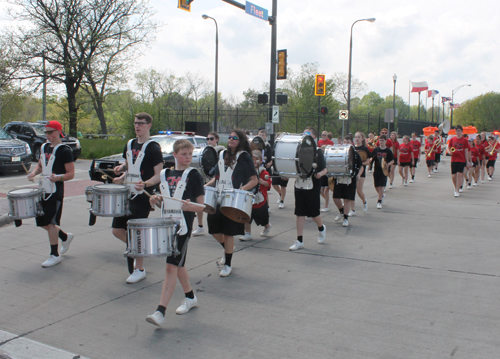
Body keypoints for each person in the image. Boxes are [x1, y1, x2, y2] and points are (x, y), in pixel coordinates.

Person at [145, 139, 205, 327]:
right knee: (178, 265)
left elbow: (201, 205)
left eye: (190, 154)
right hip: (166, 226)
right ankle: (190, 297)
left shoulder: (194, 175)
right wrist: (155, 200)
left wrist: (189, 207)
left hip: (183, 228)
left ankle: (160, 312)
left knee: (170, 267)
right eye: (184, 154)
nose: (188, 157)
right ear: (175, 155)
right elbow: (166, 202)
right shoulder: (165, 174)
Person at [112, 113, 164, 283]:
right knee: (117, 230)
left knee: (136, 232)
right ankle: (138, 248)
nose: (137, 126)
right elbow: (131, 164)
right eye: (135, 123)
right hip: (126, 193)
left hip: (142, 195)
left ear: (149, 125)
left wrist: (146, 183)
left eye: (141, 123)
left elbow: (158, 175)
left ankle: (139, 269)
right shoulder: (130, 144)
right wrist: (122, 172)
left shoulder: (154, 148)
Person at [205, 129, 258, 277]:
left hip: (232, 201)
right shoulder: (221, 154)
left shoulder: (244, 157)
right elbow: (217, 177)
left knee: (228, 233)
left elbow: (254, 180)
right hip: (217, 198)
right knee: (214, 231)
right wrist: (206, 186)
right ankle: (227, 249)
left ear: (240, 141)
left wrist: (240, 191)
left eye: (234, 137)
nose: (231, 139)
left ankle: (228, 264)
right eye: (229, 137)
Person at [27, 120, 75, 267]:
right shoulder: (43, 148)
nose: (47, 135)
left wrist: (58, 177)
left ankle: (54, 255)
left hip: (55, 191)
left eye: (50, 132)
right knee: (42, 222)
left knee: (51, 222)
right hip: (43, 189)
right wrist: (34, 173)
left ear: (58, 132)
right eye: (46, 132)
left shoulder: (64, 150)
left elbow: (71, 173)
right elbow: (40, 166)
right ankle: (65, 237)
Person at [289, 127, 328, 251]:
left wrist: (320, 174)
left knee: (314, 213)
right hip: (299, 183)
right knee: (299, 212)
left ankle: (321, 228)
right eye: (304, 133)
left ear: (314, 137)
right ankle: (299, 240)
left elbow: (325, 169)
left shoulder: (317, 152)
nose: (305, 135)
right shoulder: (297, 150)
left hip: (313, 184)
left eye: (308, 133)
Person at [192, 131, 221, 237]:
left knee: (214, 205)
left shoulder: (220, 150)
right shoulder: (205, 150)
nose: (209, 141)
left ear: (217, 139)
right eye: (207, 139)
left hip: (215, 180)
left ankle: (218, 227)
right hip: (204, 177)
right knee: (199, 203)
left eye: (211, 138)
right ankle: (200, 226)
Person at [239, 151, 272, 241]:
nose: (254, 162)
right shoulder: (248, 172)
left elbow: (269, 184)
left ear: (261, 161)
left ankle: (267, 226)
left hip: (260, 202)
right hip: (249, 200)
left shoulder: (264, 173)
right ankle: (248, 233)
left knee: (263, 220)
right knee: (247, 217)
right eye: (252, 159)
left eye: (256, 159)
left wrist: (263, 182)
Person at [332, 134, 362, 227]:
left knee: (347, 200)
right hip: (339, 177)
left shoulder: (355, 154)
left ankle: (345, 218)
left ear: (351, 143)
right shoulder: (338, 152)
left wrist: (358, 175)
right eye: (344, 142)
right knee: (335, 198)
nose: (346, 143)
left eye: (348, 142)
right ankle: (341, 211)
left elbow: (361, 166)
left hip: (350, 178)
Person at [371, 135, 394, 209]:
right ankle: (382, 195)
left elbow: (392, 160)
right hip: (376, 170)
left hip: (384, 171)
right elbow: (372, 158)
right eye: (380, 140)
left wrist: (388, 164)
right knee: (376, 186)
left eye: (382, 140)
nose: (381, 142)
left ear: (385, 141)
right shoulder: (376, 150)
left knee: (381, 186)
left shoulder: (388, 151)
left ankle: (379, 201)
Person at [448, 125, 470, 197]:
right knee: (454, 176)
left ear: (462, 131)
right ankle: (456, 187)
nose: (457, 132)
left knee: (459, 174)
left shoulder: (465, 140)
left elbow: (466, 151)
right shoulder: (452, 139)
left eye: (459, 131)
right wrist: (449, 152)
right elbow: (449, 148)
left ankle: (457, 190)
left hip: (461, 159)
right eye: (456, 131)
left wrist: (467, 161)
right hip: (454, 159)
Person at [351, 131, 370, 213]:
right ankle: (352, 209)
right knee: (351, 190)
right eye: (356, 137)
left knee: (359, 190)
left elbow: (368, 161)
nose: (357, 139)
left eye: (358, 137)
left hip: (361, 171)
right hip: (352, 171)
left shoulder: (365, 149)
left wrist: (360, 163)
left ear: (362, 138)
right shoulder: (352, 148)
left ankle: (364, 201)